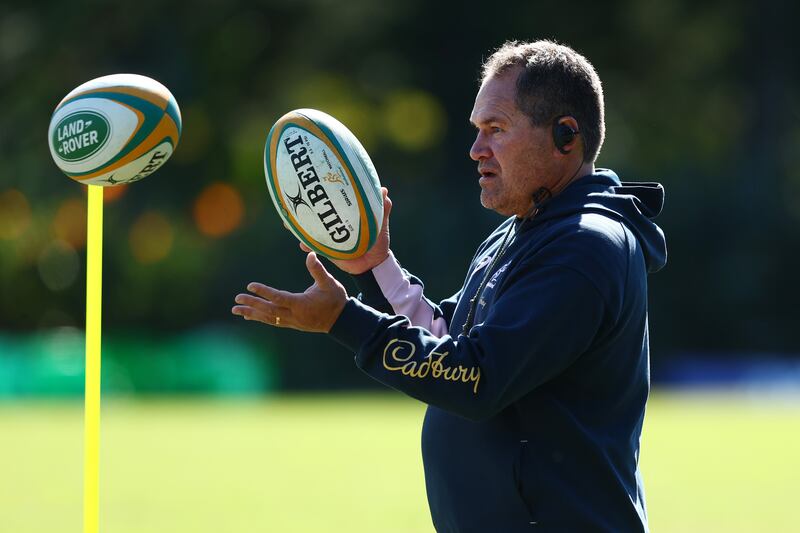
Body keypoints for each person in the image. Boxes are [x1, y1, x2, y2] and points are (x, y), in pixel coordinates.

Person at [232, 40, 667, 532]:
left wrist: (343, 319)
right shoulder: (523, 230)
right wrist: (376, 264)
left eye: (495, 130)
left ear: (566, 136)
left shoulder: (585, 247)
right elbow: (448, 340)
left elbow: (478, 377)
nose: (476, 149)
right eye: (477, 130)